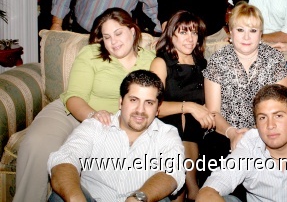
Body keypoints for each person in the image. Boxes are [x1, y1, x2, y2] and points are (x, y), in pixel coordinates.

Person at [14, 8, 156, 202]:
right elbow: (74, 97)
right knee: (37, 144)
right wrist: (93, 115)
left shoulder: (151, 60)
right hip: (72, 112)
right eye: (107, 37)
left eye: (118, 33)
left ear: (132, 31)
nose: (113, 42)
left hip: (114, 126)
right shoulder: (91, 53)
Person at [47, 70, 185, 202]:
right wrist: (75, 199)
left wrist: (138, 198)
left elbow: (172, 173)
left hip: (140, 199)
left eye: (149, 103)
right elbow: (65, 159)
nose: (140, 110)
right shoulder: (96, 126)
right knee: (60, 197)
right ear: (121, 102)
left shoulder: (167, 134)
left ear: (157, 109)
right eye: (133, 100)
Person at [200, 3, 287, 192]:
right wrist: (233, 133)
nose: (246, 36)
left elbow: (284, 108)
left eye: (253, 30)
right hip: (225, 131)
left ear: (260, 34)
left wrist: (257, 133)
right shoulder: (218, 60)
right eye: (240, 30)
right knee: (213, 150)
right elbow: (213, 112)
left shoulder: (275, 59)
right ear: (230, 33)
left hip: (266, 130)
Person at [150, 10, 215, 201]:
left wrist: (200, 110)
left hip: (200, 130)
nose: (190, 38)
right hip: (168, 124)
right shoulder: (161, 62)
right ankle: (191, 187)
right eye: (184, 32)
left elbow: (210, 104)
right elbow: (154, 107)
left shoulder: (203, 65)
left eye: (194, 33)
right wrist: (189, 106)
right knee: (182, 118)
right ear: (171, 34)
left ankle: (187, 188)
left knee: (191, 119)